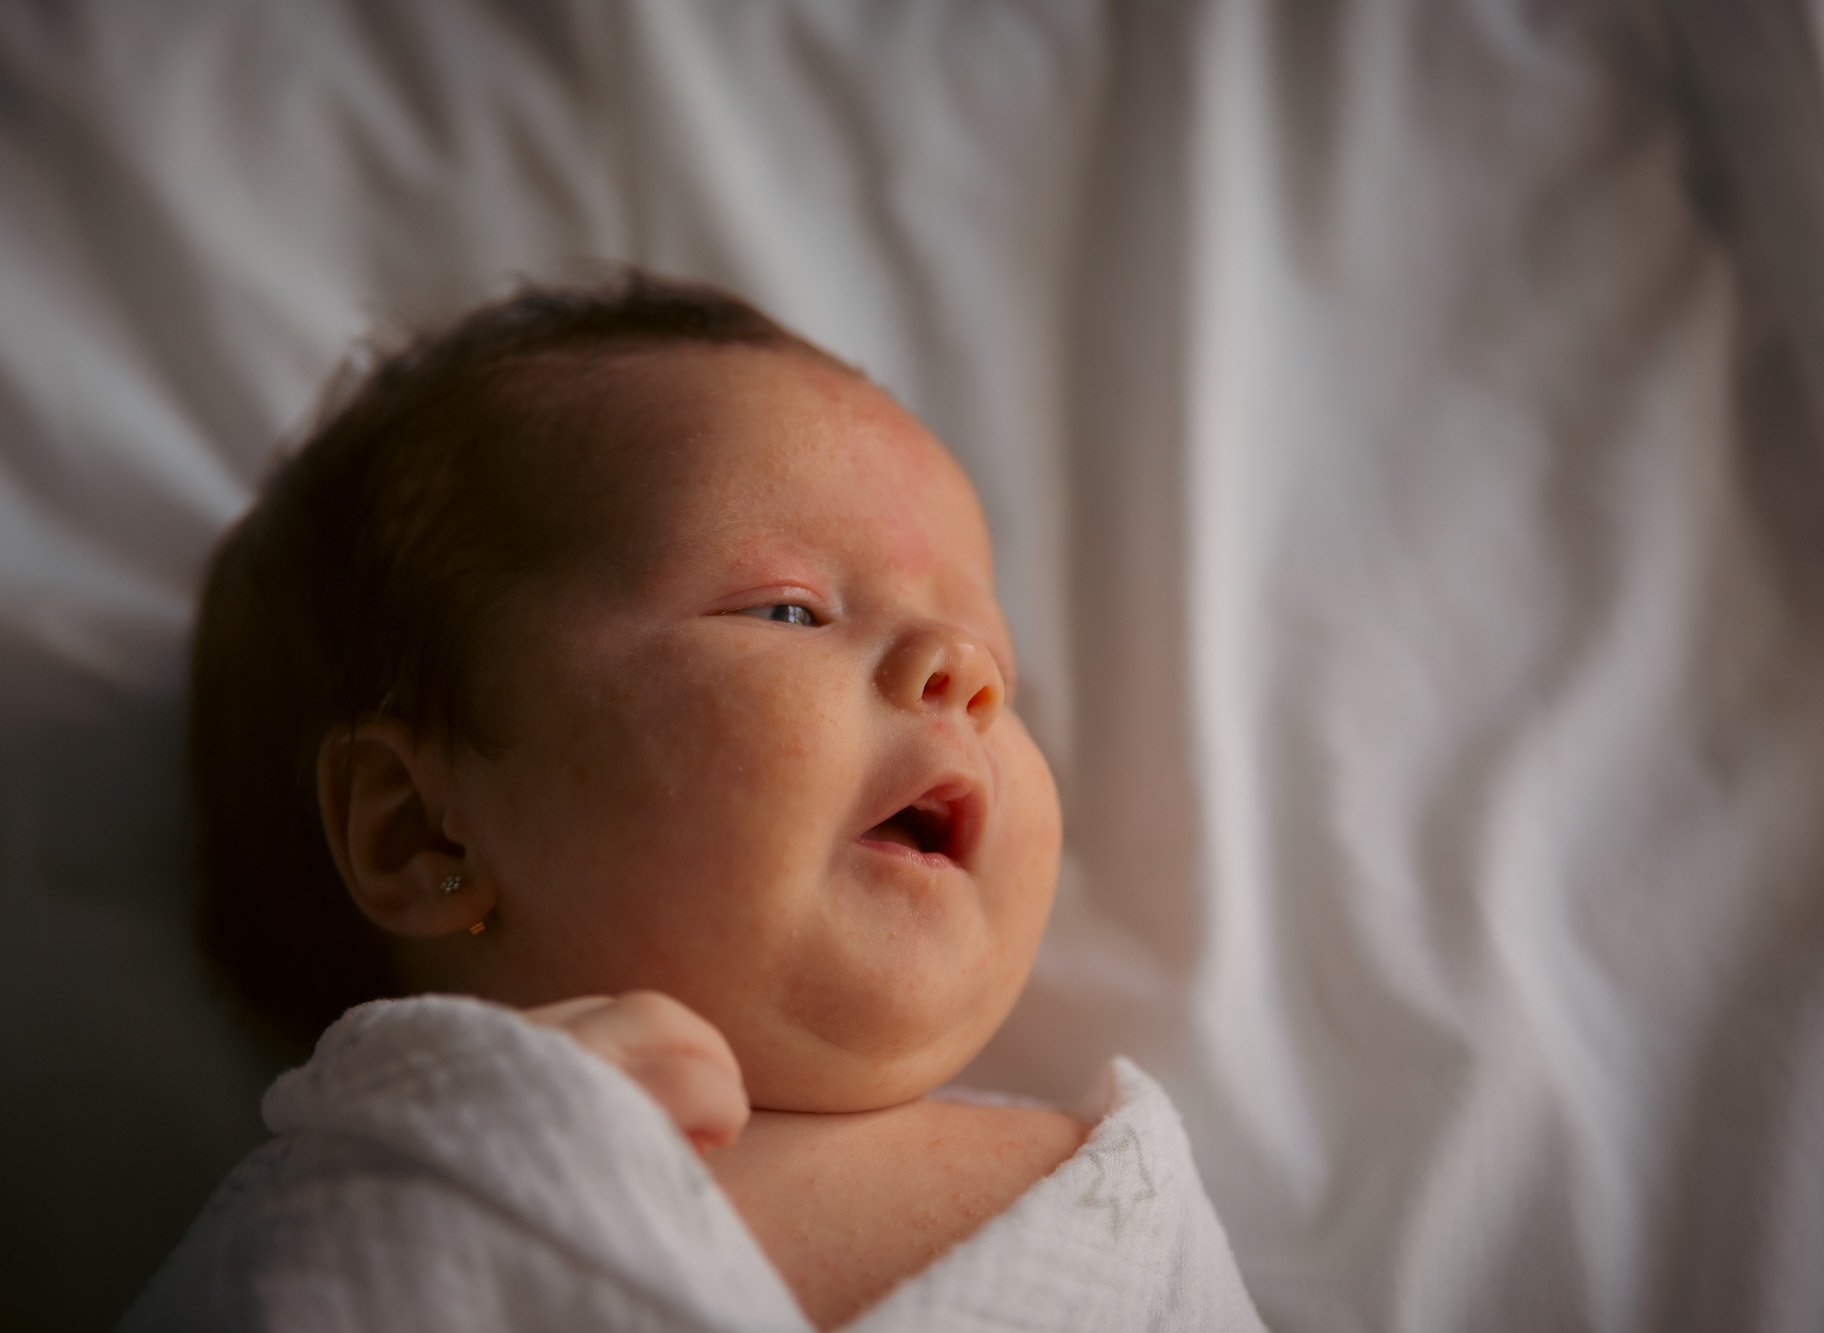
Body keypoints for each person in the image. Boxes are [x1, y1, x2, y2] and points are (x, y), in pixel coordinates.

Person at [120, 273, 1263, 1332]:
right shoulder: (383, 1176)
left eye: (997, 666)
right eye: (787, 611)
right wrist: (501, 1133)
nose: (957, 669)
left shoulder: (1122, 1184)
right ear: (425, 830)